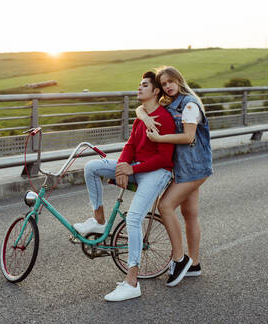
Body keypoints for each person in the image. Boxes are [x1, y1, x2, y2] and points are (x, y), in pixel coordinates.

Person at [73, 71, 175, 301]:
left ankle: (132, 283)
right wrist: (121, 166)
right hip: (136, 167)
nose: (139, 88)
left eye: (144, 85)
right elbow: (130, 145)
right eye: (139, 84)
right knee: (91, 167)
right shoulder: (141, 117)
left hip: (156, 172)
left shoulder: (164, 118)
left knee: (133, 218)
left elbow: (164, 158)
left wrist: (132, 170)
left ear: (156, 91)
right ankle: (99, 221)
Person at [136, 66, 213, 287]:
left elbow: (189, 137)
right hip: (185, 168)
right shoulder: (171, 103)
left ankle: (180, 260)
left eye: (171, 81)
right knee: (190, 213)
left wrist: (159, 140)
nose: (168, 86)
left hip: (194, 168)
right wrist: (143, 116)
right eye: (164, 83)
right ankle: (195, 264)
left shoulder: (188, 104)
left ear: (179, 80)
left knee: (165, 205)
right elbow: (141, 109)